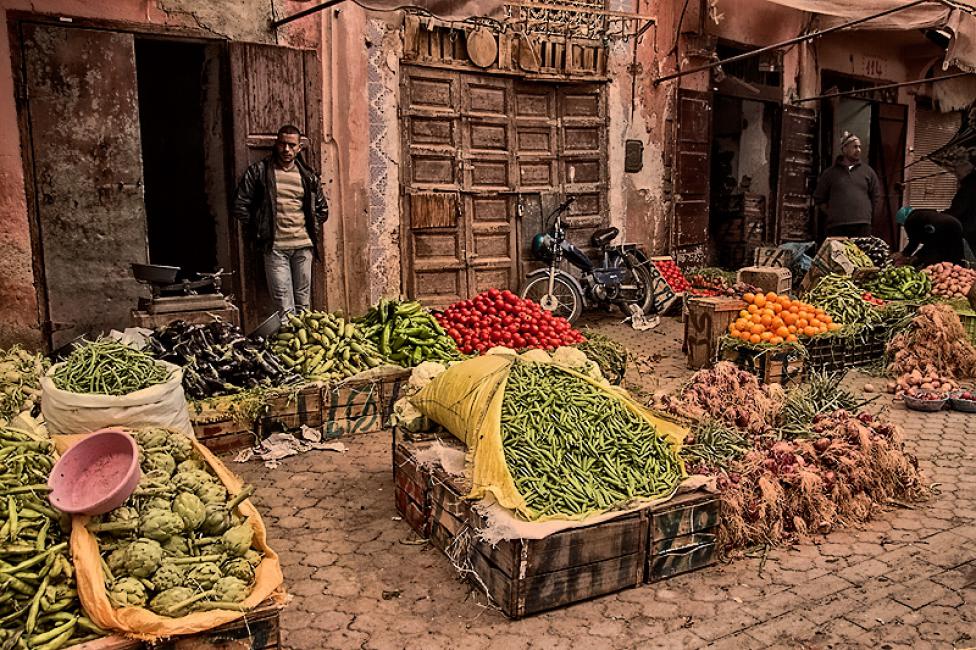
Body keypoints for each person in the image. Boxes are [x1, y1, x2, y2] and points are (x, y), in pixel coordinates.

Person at [232, 125, 328, 318]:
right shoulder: (259, 172)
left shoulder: (307, 176)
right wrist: (261, 227)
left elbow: (322, 210)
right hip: (275, 248)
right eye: (282, 144)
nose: (286, 150)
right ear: (276, 144)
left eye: (292, 145)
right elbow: (239, 206)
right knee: (283, 306)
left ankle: (305, 344)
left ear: (299, 148)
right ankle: (289, 346)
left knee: (304, 304)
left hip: (303, 247)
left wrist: (308, 229)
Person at [813, 132, 882, 239]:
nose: (858, 150)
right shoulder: (830, 173)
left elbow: (875, 196)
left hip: (862, 226)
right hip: (837, 226)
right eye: (855, 147)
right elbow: (819, 198)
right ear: (844, 149)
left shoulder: (868, 172)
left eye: (859, 147)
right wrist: (833, 212)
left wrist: (867, 214)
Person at [893, 206, 964, 268]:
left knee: (930, 256)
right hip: (956, 224)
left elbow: (914, 242)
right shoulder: (921, 214)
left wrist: (905, 255)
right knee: (952, 254)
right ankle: (957, 267)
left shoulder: (911, 220)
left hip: (942, 229)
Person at [945, 147, 976, 251]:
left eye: (956, 168)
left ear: (965, 168)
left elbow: (958, 210)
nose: (955, 172)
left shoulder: (968, 187)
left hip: (970, 232)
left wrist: (942, 216)